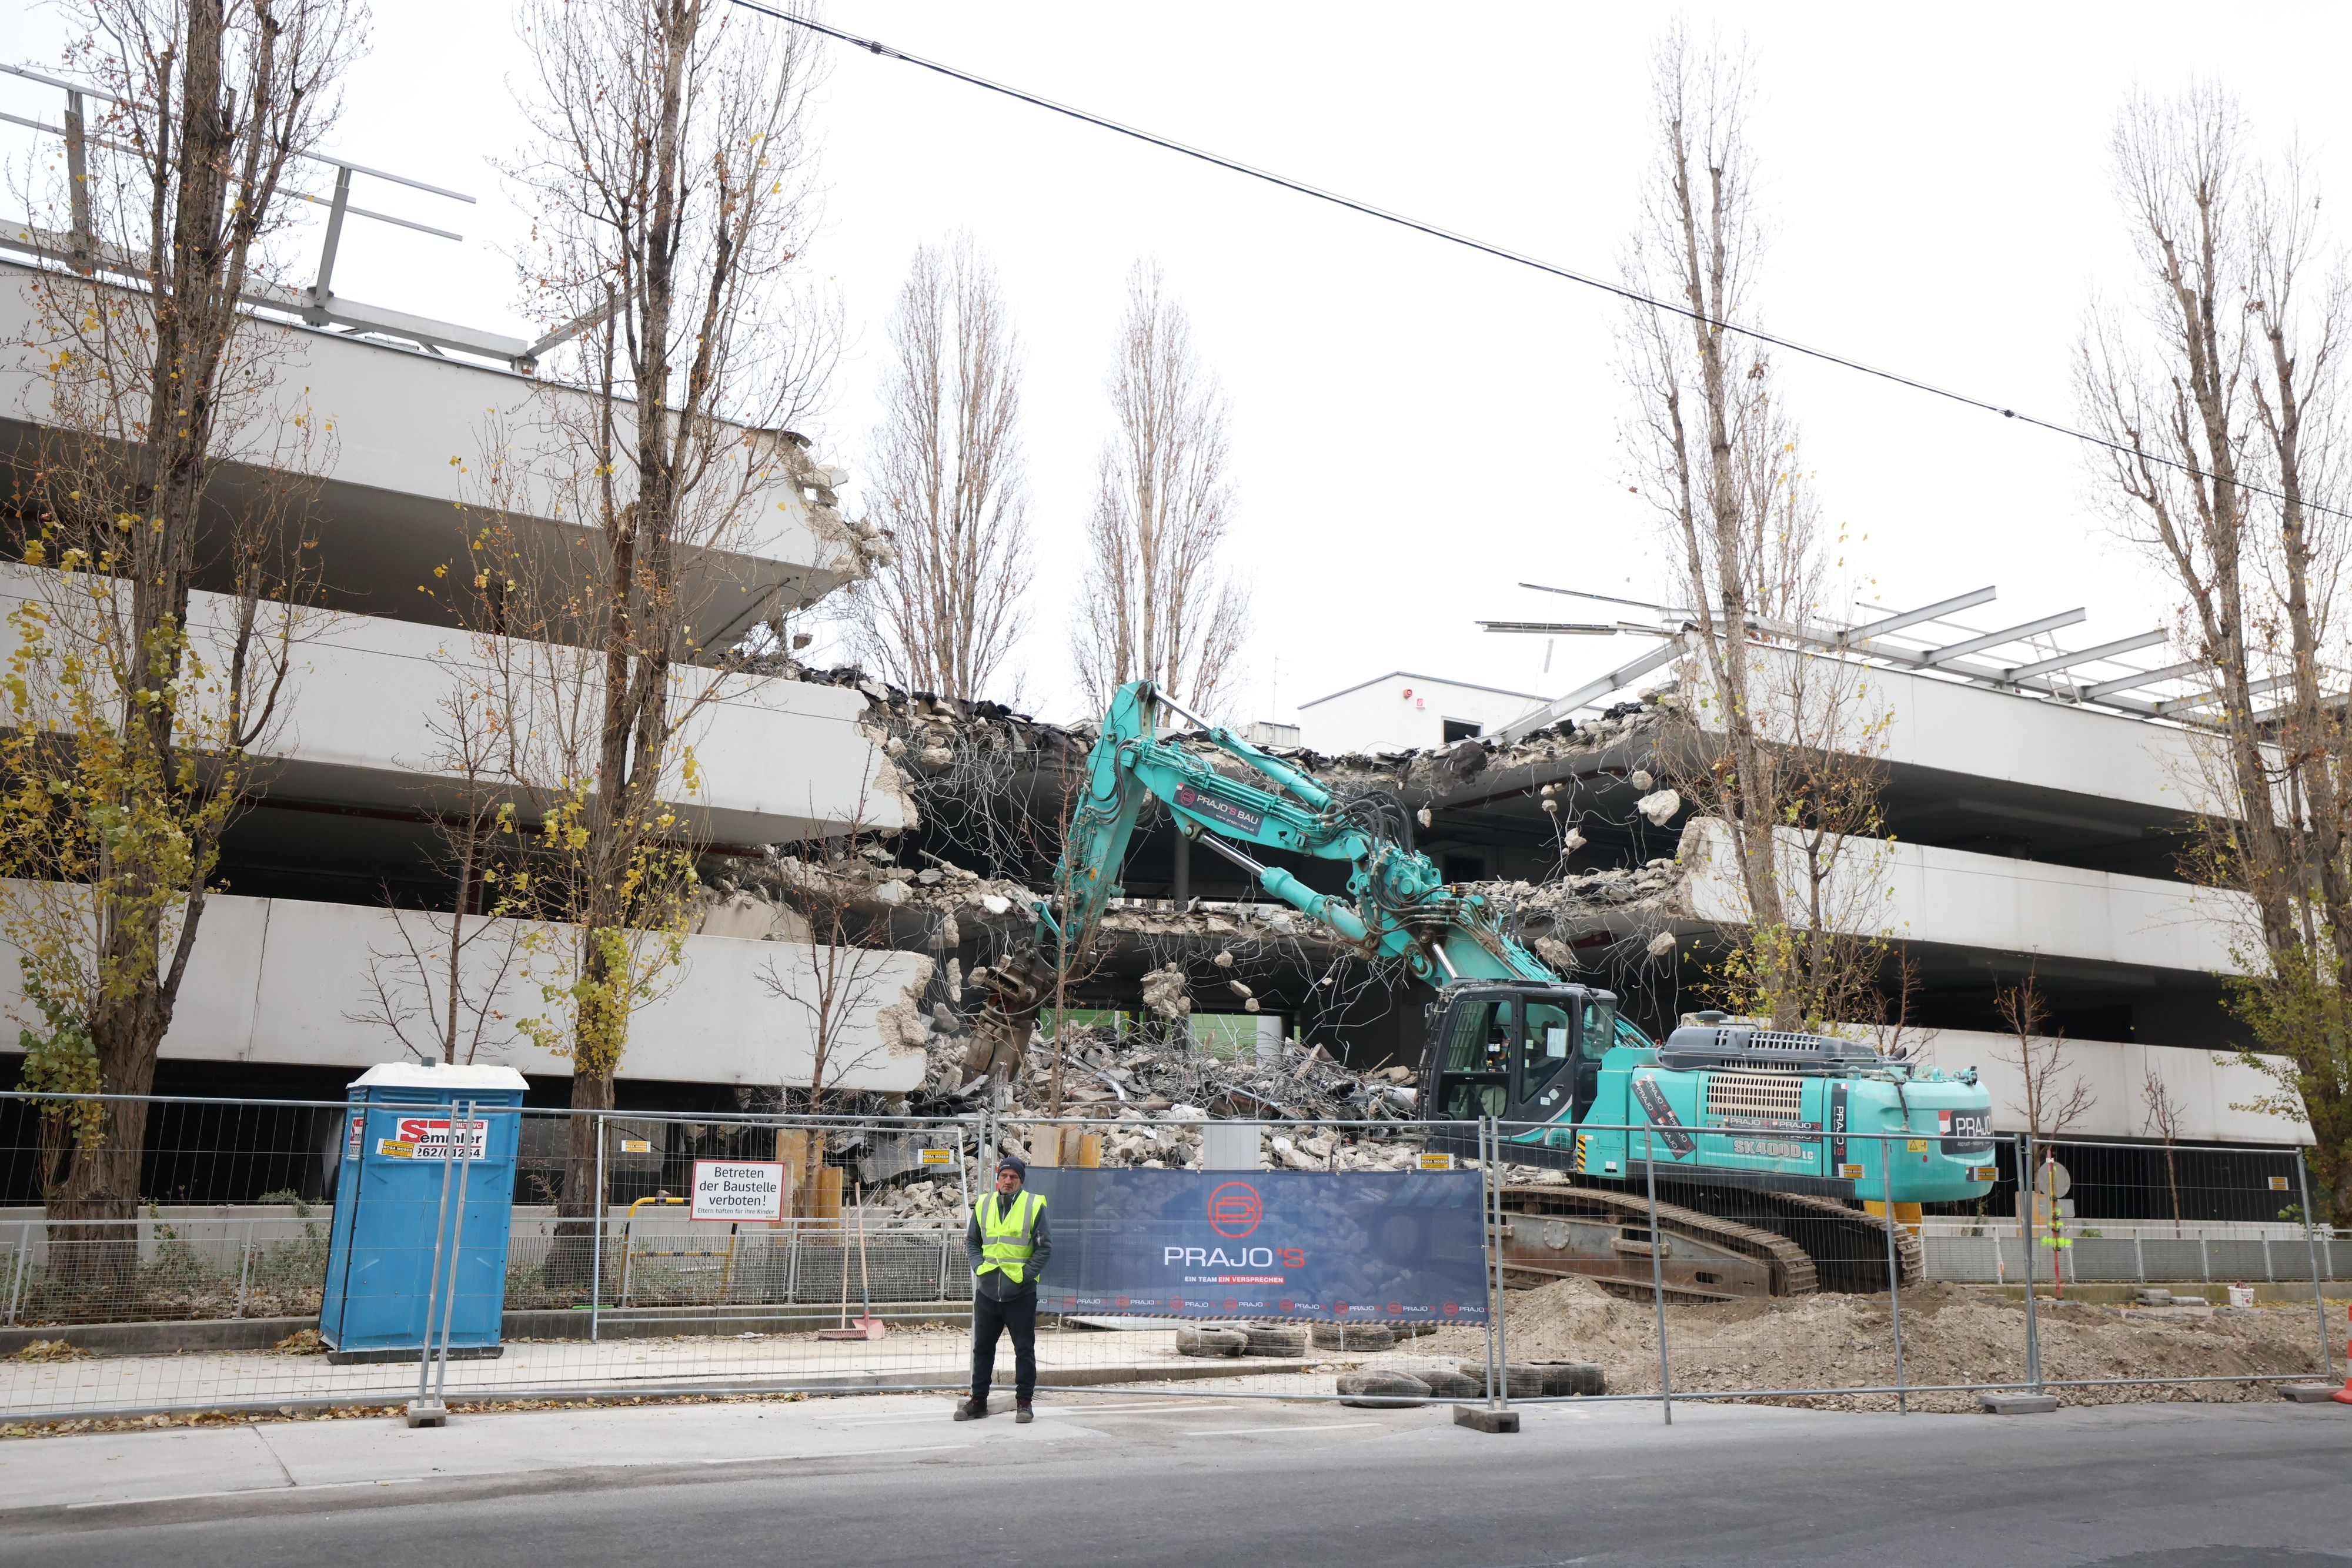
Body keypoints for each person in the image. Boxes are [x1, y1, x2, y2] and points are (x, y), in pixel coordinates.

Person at [959, 1153, 1051, 1423]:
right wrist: (979, 1268)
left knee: (1024, 1349)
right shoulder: (984, 1204)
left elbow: (1044, 1248)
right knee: (982, 1348)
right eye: (1004, 1176)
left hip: (1020, 1293)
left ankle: (1024, 1402)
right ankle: (978, 1401)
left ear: (1021, 1181)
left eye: (1013, 1177)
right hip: (988, 1291)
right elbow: (973, 1242)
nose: (1008, 1181)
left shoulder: (1033, 1205)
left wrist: (1024, 1276)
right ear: (998, 1178)